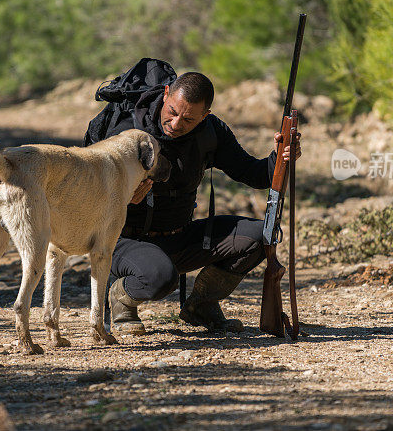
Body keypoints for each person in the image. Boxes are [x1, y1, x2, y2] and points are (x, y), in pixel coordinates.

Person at [95, 71, 301, 334]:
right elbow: (89, 200)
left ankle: (201, 306)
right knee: (160, 277)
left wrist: (281, 157)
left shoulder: (211, 132)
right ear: (166, 93)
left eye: (189, 119)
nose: (176, 123)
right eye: (172, 111)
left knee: (260, 236)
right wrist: (123, 199)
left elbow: (254, 174)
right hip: (122, 241)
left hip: (179, 237)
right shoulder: (125, 130)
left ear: (205, 115)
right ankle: (120, 298)